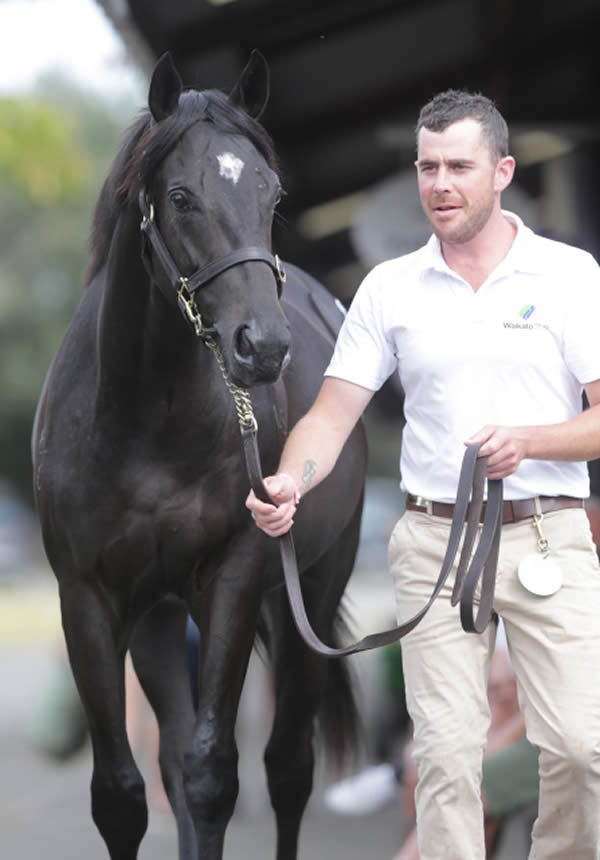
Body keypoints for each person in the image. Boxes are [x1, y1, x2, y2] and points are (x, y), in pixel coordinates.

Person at [246, 87, 600, 859]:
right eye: (428, 166)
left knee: (581, 748)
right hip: (435, 539)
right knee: (445, 756)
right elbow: (332, 415)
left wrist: (532, 438)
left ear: (503, 171)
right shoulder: (389, 288)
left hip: (550, 536)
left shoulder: (569, 276)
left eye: (459, 167)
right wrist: (291, 481)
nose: (440, 184)